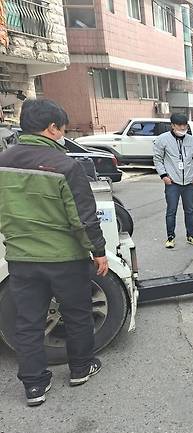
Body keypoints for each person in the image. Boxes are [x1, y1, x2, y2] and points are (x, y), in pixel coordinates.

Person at [0, 99, 107, 406]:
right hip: (65, 258)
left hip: (21, 258)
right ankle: (80, 368)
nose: (63, 133)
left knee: (28, 321)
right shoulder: (65, 166)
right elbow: (83, 218)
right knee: (76, 313)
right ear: (51, 128)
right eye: (62, 128)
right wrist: (98, 251)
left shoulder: (3, 161)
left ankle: (34, 386)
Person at [153, 113, 193, 248]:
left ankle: (191, 236)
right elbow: (157, 159)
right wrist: (164, 176)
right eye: (179, 125)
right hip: (172, 182)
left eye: (184, 125)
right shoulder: (162, 139)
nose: (182, 127)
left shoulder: (192, 141)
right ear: (173, 125)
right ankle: (170, 237)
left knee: (190, 210)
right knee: (171, 210)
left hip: (189, 182)